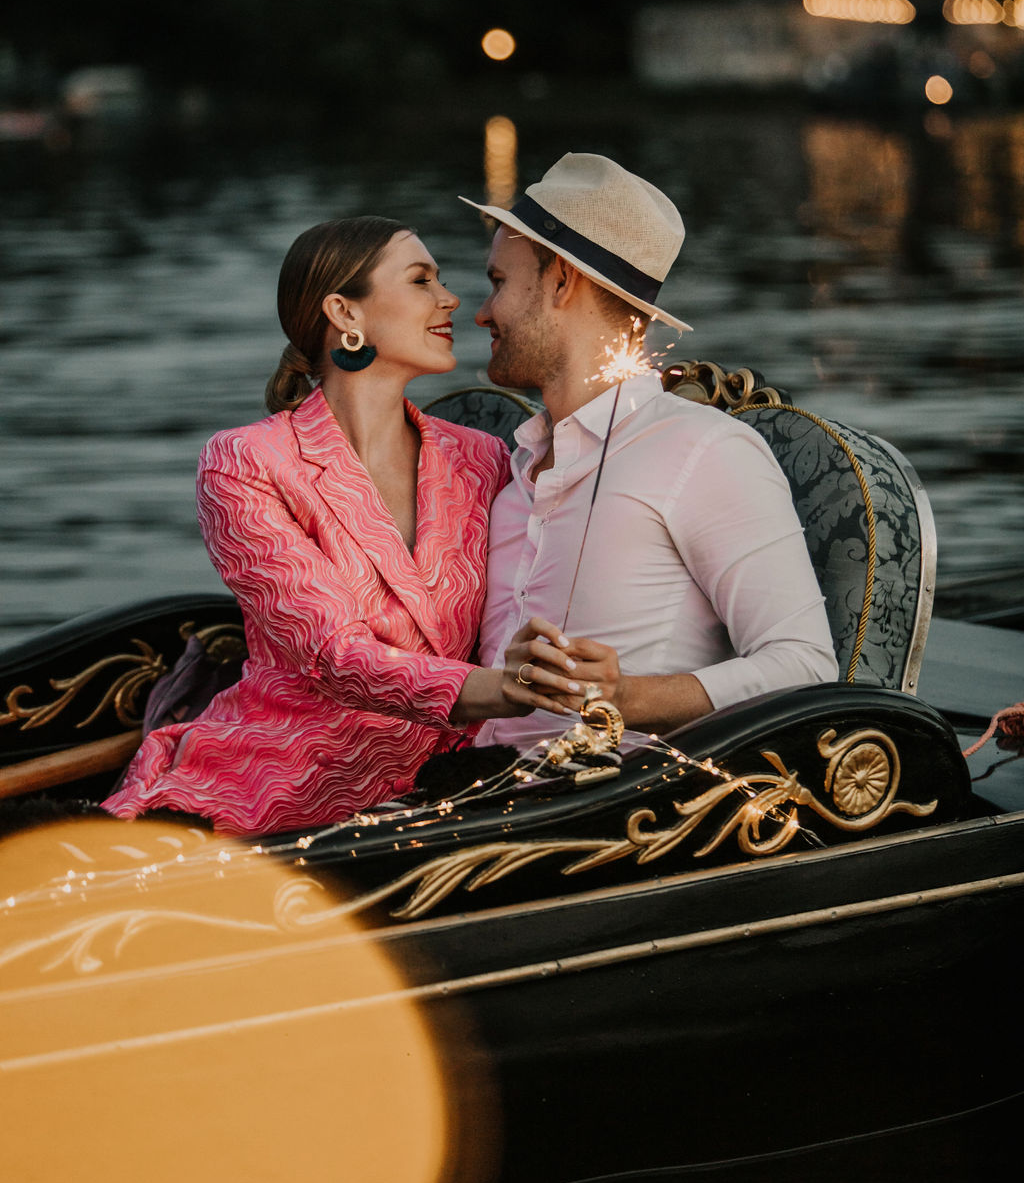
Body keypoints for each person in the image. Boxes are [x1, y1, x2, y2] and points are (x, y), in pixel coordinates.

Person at [103, 217, 582, 834]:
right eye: (421, 279)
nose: (451, 298)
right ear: (343, 312)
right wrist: (503, 688)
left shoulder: (483, 459)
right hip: (270, 791)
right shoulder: (247, 461)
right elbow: (332, 655)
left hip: (447, 795)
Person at [461, 152, 839, 750]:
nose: (481, 312)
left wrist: (628, 697)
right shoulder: (510, 480)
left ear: (562, 280)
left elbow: (806, 666)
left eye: (499, 283)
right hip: (469, 794)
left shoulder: (701, 449)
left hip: (616, 814)